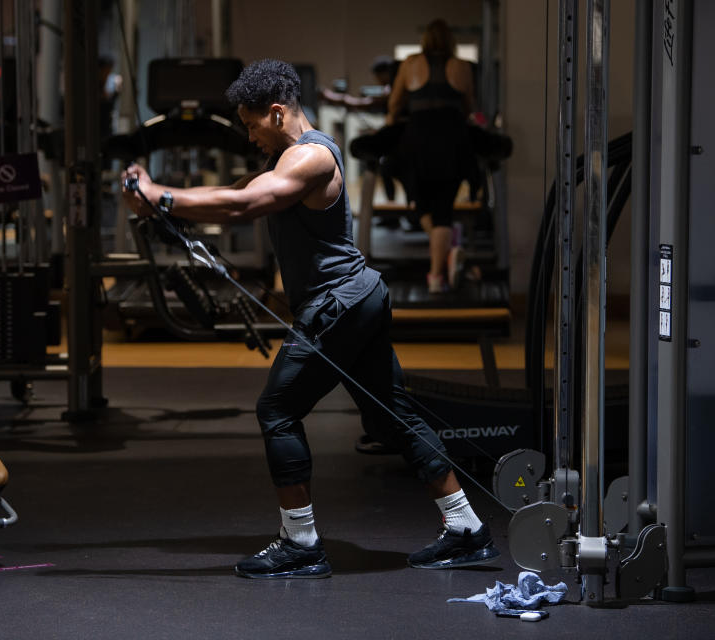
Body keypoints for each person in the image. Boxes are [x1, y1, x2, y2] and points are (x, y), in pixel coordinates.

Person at [121, 59, 498, 579]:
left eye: (251, 124)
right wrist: (159, 200)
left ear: (276, 113)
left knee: (277, 410)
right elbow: (225, 195)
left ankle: (300, 542)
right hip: (356, 298)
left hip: (339, 303)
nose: (249, 136)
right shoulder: (285, 156)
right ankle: (467, 529)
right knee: (391, 418)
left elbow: (243, 205)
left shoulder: (311, 158)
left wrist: (160, 196)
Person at [386, 19, 475, 293]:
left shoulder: (410, 64)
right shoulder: (462, 66)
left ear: (425, 39)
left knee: (420, 201)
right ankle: (446, 258)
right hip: (451, 139)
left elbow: (395, 104)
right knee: (443, 208)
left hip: (419, 139)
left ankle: (438, 271)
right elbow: (469, 107)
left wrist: (390, 129)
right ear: (450, 40)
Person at [320, 55, 395, 113]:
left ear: (385, 74)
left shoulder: (391, 88)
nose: (377, 80)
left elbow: (371, 103)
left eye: (378, 76)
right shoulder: (389, 87)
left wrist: (347, 100)